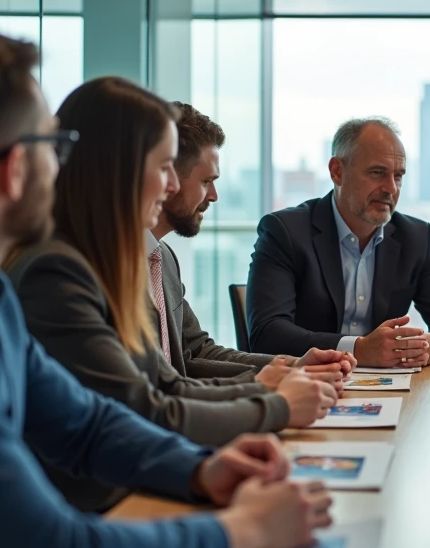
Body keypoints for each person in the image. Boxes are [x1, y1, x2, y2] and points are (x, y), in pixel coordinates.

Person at [0, 23, 332, 548]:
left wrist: (198, 470)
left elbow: (87, 423)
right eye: (55, 144)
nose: (65, 163)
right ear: (18, 168)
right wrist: (239, 530)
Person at [6, 77, 340, 513]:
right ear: (119, 171)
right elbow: (145, 409)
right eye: (164, 167)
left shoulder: (119, 261)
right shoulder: (59, 272)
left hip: (145, 479)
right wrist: (273, 405)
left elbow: (166, 381)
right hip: (105, 504)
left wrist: (274, 383)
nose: (170, 187)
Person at [247, 116, 430, 367]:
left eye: (398, 176)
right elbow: (267, 334)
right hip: (307, 387)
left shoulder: (415, 237)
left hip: (389, 390)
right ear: (337, 171)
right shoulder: (286, 232)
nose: (391, 188)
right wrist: (358, 349)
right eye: (377, 173)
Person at [151, 102, 355, 380]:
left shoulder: (162, 259)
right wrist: (263, 385)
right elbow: (157, 392)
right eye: (205, 181)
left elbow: (197, 351)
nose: (214, 195)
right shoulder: (108, 267)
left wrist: (293, 367)